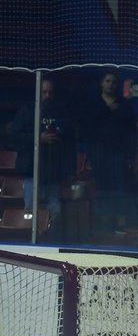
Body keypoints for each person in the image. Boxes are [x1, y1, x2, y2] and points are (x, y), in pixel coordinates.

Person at [8, 76, 76, 236]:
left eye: (50, 93)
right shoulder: (27, 111)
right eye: (44, 92)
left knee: (55, 212)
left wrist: (70, 170)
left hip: (53, 172)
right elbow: (14, 139)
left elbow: (70, 144)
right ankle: (28, 245)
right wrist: (38, 138)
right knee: (30, 211)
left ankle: (51, 244)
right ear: (38, 93)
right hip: (31, 170)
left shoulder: (61, 114)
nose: (47, 96)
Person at [81, 71, 136, 233]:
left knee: (119, 188)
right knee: (103, 189)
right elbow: (86, 127)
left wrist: (131, 155)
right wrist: (106, 110)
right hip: (98, 153)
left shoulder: (124, 105)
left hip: (119, 154)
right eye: (107, 81)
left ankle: (120, 223)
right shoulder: (92, 104)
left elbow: (131, 132)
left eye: (113, 82)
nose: (110, 84)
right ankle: (104, 224)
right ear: (101, 83)